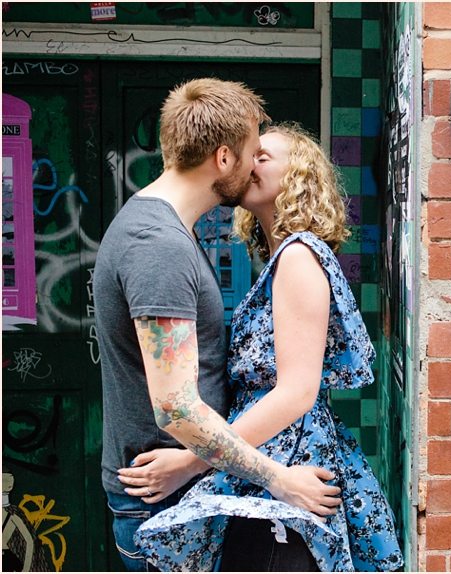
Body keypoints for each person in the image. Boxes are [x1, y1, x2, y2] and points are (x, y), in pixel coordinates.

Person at [129, 123, 404, 572]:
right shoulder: (280, 259)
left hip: (288, 462)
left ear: (297, 178)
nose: (248, 162)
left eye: (263, 157)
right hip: (274, 460)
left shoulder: (298, 256)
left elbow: (296, 392)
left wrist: (190, 461)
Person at [93, 80, 342, 572]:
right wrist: (278, 478)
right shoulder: (157, 246)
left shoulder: (167, 231)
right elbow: (176, 408)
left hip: (179, 489)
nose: (255, 165)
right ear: (224, 159)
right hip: (161, 499)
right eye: (253, 152)